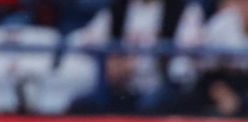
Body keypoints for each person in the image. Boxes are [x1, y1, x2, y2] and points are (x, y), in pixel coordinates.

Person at [68, 0, 206, 115]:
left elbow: (182, 63)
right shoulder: (119, 9)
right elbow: (80, 40)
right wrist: (110, 62)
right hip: (123, 87)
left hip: (160, 85)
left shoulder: (184, 10)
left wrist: (138, 65)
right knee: (82, 106)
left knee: (149, 105)